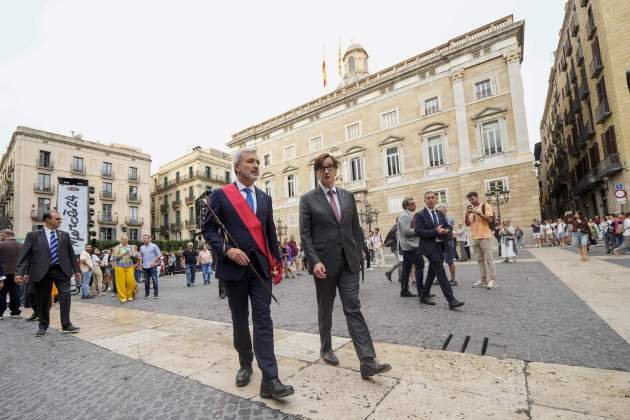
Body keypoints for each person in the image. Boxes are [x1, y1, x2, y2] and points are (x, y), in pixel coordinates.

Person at [202, 148, 294, 399]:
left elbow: (270, 232)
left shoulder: (264, 198)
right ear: (237, 168)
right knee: (241, 320)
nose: (256, 166)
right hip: (234, 270)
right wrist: (227, 250)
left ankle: (270, 378)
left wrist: (277, 260)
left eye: (257, 162)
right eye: (250, 162)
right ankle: (245, 362)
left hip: (261, 269)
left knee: (264, 319)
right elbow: (208, 229)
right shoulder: (221, 196)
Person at [300, 153, 391, 379]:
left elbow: (355, 227)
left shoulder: (347, 196)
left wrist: (361, 250)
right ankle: (326, 347)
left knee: (353, 307)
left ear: (336, 169)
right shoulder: (308, 199)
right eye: (322, 168)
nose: (327, 171)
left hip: (349, 263)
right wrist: (315, 261)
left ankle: (368, 360)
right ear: (317, 172)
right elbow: (305, 235)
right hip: (324, 265)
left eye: (330, 167)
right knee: (326, 308)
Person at [15, 210, 81, 336]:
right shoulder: (33, 235)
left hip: (62, 271)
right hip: (42, 272)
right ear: (48, 220)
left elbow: (71, 254)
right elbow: (24, 255)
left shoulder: (64, 235)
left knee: (65, 297)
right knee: (43, 300)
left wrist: (77, 270)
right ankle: (43, 325)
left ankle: (66, 324)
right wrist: (19, 272)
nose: (60, 221)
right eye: (57, 219)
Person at [413, 191, 465, 310]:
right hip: (429, 248)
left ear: (436, 199)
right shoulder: (420, 215)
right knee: (441, 272)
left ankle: (424, 295)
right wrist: (435, 231)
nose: (431, 200)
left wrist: (446, 231)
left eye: (433, 198)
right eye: (428, 198)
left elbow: (448, 226)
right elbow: (418, 232)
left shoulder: (440, 213)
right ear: (425, 200)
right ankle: (451, 300)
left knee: (432, 272)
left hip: (441, 246)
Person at [465, 191, 498, 290]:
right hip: (475, 237)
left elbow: (490, 220)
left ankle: (493, 280)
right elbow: (467, 224)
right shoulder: (471, 209)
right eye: (470, 200)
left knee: (489, 259)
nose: (471, 202)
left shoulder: (485, 205)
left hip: (485, 236)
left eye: (473, 199)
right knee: (480, 259)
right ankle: (483, 279)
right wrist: (466, 215)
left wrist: (477, 212)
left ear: (477, 197)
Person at [396, 198, 422, 297]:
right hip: (410, 246)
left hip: (409, 245)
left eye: (414, 203)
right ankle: (422, 291)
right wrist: (419, 230)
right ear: (406, 206)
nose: (415, 205)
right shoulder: (404, 216)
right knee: (420, 266)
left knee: (406, 269)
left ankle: (404, 290)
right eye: (412, 204)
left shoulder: (408, 214)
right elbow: (406, 232)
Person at [0, 230, 20, 319]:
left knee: (1, 292)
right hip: (17, 273)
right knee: (15, 292)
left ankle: (0, 312)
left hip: (2, 272)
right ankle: (15, 311)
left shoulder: (1, 244)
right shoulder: (21, 245)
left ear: (5, 235)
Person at [112, 236, 137, 302]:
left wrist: (132, 255)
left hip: (130, 266)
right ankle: (123, 297)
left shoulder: (131, 247)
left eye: (126, 240)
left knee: (131, 281)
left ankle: (130, 295)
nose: (125, 241)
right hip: (120, 266)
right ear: (121, 240)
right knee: (120, 282)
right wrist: (122, 255)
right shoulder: (117, 247)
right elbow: (114, 258)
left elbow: (136, 256)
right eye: (123, 240)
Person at [438, 206, 457, 286]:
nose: (439, 213)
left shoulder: (448, 219)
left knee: (450, 262)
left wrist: (444, 231)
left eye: (441, 211)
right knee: (438, 262)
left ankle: (453, 279)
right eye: (438, 212)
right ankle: (438, 278)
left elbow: (449, 229)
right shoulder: (439, 219)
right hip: (440, 242)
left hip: (448, 242)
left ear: (445, 211)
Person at [140, 234, 162, 298]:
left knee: (154, 280)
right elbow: (141, 256)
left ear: (149, 239)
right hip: (145, 266)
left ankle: (156, 294)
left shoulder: (154, 246)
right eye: (143, 238)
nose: (144, 239)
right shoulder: (141, 247)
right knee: (146, 281)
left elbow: (159, 255)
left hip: (153, 266)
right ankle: (147, 294)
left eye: (146, 238)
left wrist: (154, 262)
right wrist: (141, 263)